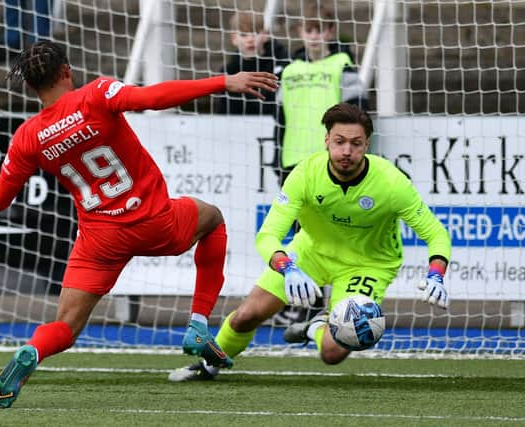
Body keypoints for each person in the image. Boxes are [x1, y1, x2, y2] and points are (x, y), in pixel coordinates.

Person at [0, 40, 278, 408]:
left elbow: (0, 198)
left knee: (65, 327)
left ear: (31, 88)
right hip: (153, 221)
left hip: (99, 240)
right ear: (67, 71)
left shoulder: (27, 137)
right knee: (213, 219)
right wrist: (223, 82)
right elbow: (153, 97)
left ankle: (33, 351)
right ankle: (197, 324)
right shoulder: (96, 94)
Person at [168, 103, 451, 382]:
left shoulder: (391, 182)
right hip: (310, 252)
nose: (346, 151)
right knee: (246, 315)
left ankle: (316, 325)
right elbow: (267, 235)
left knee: (332, 352)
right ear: (326, 140)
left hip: (369, 264)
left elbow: (435, 233)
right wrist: (287, 267)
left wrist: (436, 275)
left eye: (356, 143)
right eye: (339, 142)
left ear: (367, 144)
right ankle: (208, 365)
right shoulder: (305, 175)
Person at [271, 5, 369, 326]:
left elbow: (360, 114)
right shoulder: (287, 70)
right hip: (293, 162)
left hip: (330, 163)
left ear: (329, 32)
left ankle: (327, 305)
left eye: (320, 30)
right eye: (308, 30)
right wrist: (276, 157)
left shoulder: (343, 65)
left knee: (328, 236)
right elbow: (279, 120)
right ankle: (308, 307)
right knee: (301, 236)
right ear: (300, 33)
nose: (314, 36)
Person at [217, 10, 289, 115]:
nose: (250, 39)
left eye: (255, 33)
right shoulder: (229, 71)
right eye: (244, 34)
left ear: (265, 35)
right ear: (234, 39)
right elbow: (225, 109)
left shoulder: (282, 63)